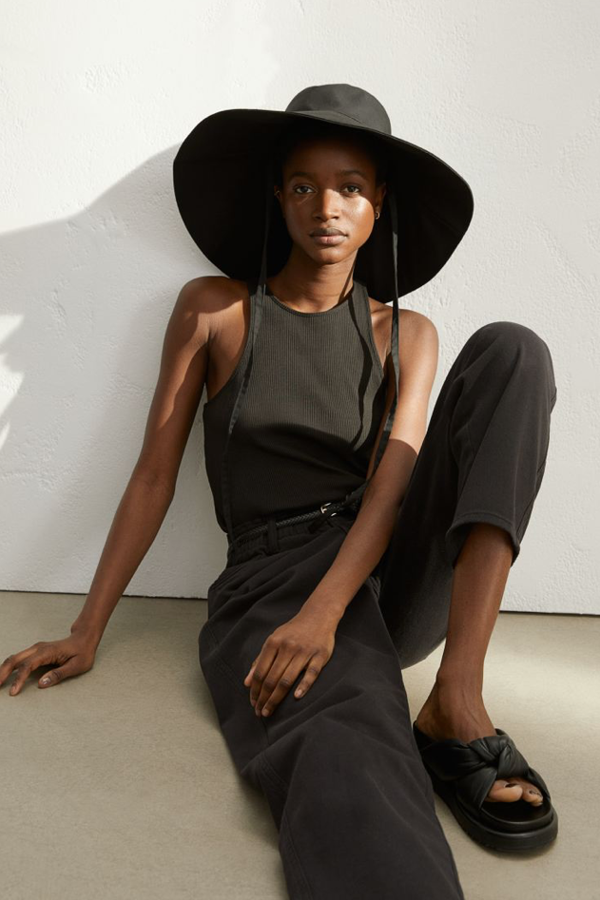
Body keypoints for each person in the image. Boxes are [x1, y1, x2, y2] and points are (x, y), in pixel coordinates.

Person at [1, 84, 558, 898]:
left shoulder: (406, 333)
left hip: (379, 570)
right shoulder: (216, 311)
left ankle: (457, 701)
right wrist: (88, 628)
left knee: (515, 351)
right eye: (304, 185)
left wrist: (329, 610)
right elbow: (154, 473)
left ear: (378, 206)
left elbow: (392, 487)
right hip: (271, 578)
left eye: (352, 187)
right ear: (279, 196)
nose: (327, 207)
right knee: (349, 752)